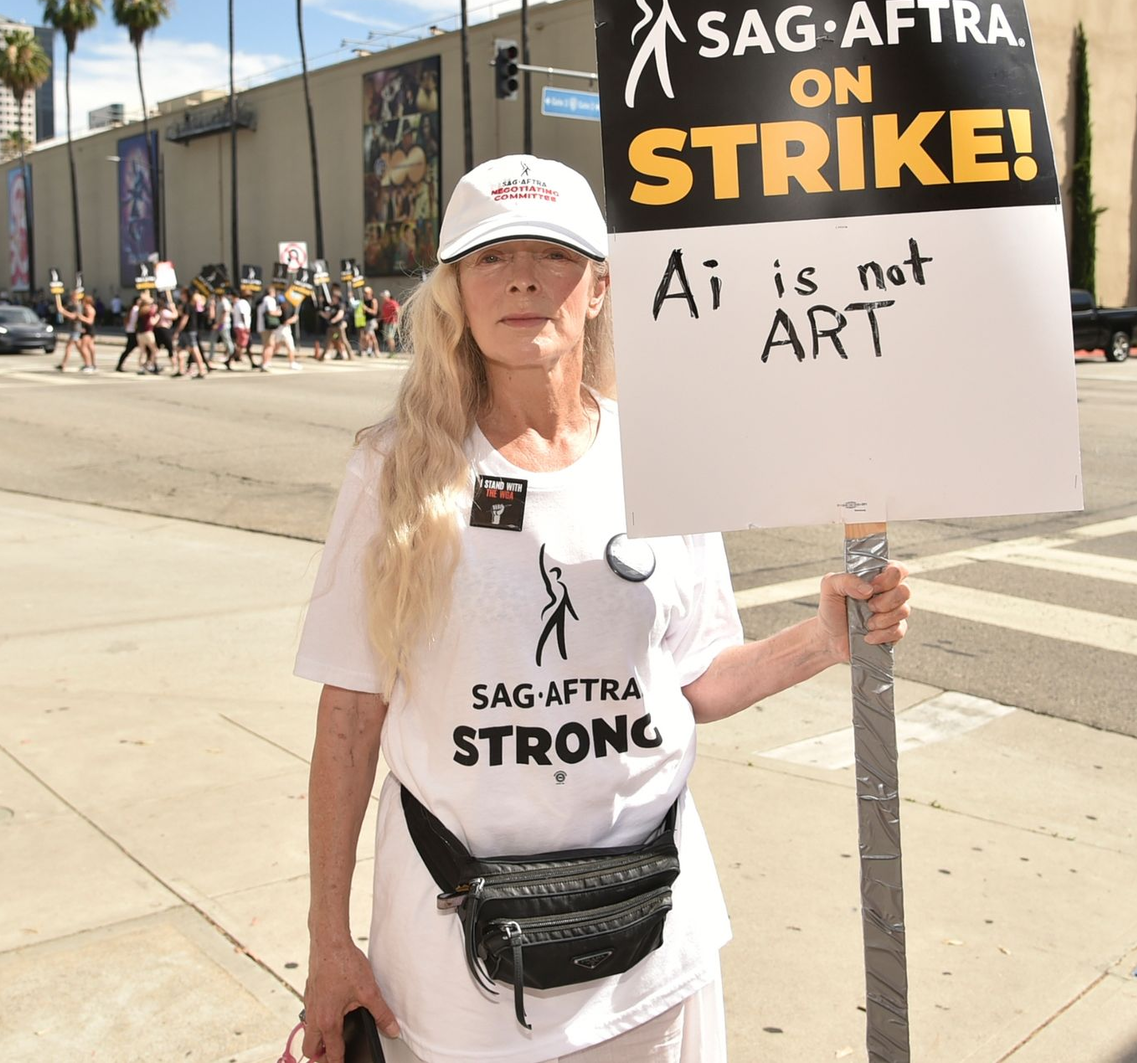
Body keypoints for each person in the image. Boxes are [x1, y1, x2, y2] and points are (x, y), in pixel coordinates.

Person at [293, 156, 912, 1063]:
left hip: (649, 956)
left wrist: (824, 638)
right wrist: (327, 935)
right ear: (454, 289)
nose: (524, 277)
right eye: (491, 256)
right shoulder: (393, 470)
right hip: (456, 970)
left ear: (601, 285)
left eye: (554, 253)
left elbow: (696, 677)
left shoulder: (660, 453)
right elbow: (350, 716)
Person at [260, 284, 302, 372]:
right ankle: (292, 362)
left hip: (277, 329)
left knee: (274, 346)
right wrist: (294, 319)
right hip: (284, 330)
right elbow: (285, 321)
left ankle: (267, 360)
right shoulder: (282, 310)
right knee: (289, 347)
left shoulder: (277, 306)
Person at [379, 288, 401, 357]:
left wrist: (397, 320)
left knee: (390, 337)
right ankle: (391, 352)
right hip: (386, 323)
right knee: (388, 338)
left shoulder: (393, 302)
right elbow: (383, 314)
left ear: (387, 296)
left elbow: (398, 311)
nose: (382, 298)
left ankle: (393, 352)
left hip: (392, 322)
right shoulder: (385, 304)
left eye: (383, 296)